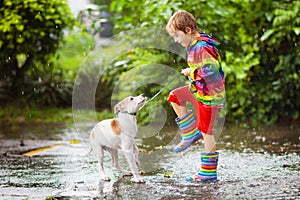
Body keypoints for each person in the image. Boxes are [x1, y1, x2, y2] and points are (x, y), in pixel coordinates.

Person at [165, 10, 225, 182]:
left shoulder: (202, 46)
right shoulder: (194, 45)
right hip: (199, 90)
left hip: (210, 96)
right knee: (175, 97)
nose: (176, 40)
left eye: (177, 36)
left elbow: (211, 70)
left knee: (207, 131)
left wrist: (190, 72)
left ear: (189, 30)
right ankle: (190, 132)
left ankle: (208, 171)